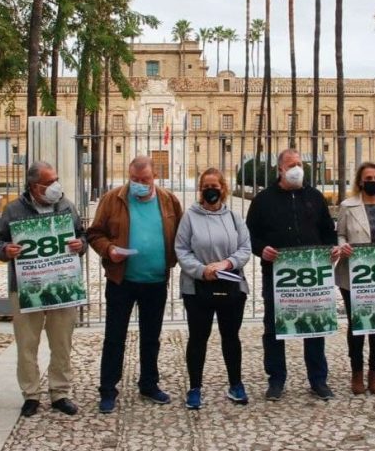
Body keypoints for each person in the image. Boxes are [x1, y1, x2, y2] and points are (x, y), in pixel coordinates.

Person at [0, 161, 86, 417]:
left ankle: (60, 393)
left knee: (62, 343)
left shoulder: (66, 206)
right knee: (27, 345)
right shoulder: (13, 210)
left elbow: (82, 235)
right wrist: (5, 250)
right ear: (34, 186)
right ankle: (30, 395)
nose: (56, 185)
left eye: (56, 179)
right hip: (26, 289)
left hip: (62, 286)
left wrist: (81, 245)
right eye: (49, 181)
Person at [87, 155, 183, 414]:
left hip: (156, 281)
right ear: (128, 177)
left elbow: (182, 234)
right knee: (114, 337)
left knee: (151, 337)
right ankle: (108, 389)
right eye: (135, 180)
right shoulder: (113, 199)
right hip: (122, 280)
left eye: (145, 180)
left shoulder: (168, 200)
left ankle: (149, 384)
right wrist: (109, 250)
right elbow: (94, 233)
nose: (140, 184)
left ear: (155, 178)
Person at [245, 148, 337, 402]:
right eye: (292, 164)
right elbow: (249, 235)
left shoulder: (315, 197)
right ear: (280, 170)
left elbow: (328, 232)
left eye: (300, 163)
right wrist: (261, 250)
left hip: (311, 274)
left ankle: (318, 380)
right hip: (277, 274)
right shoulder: (263, 200)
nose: (297, 167)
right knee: (274, 326)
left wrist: (331, 250)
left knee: (314, 325)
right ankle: (276, 379)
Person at [174, 168, 252, 410]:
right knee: (198, 338)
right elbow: (181, 249)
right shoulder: (189, 217)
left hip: (231, 285)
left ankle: (236, 384)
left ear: (223, 188)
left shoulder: (234, 218)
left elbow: (245, 248)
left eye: (215, 186)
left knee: (231, 337)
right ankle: (195, 387)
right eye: (206, 186)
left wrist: (227, 263)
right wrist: (201, 269)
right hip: (197, 287)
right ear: (200, 189)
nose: (211, 190)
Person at [334, 161, 375, 395]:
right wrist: (344, 247)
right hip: (354, 273)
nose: (372, 182)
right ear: (360, 181)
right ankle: (357, 373)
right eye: (368, 178)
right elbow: (340, 234)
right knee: (357, 325)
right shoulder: (347, 206)